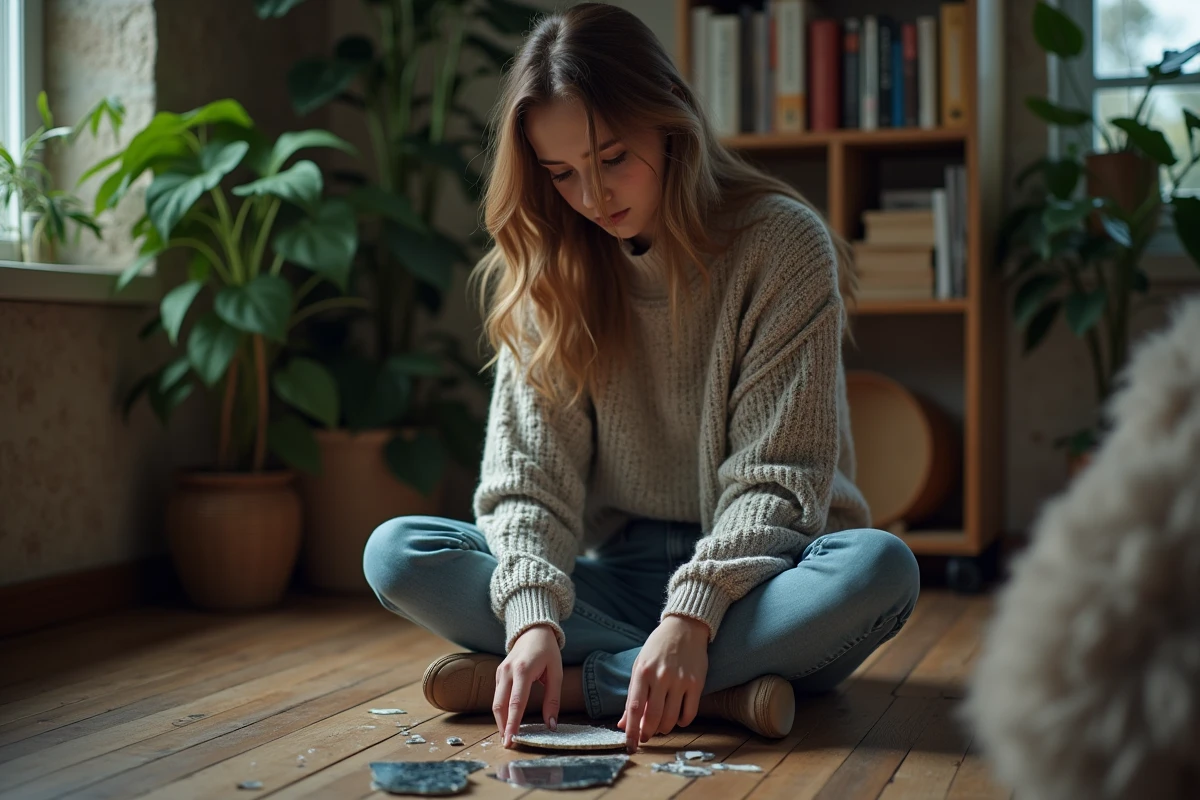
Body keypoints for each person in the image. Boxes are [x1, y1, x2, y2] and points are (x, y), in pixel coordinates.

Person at [363, 2, 920, 755]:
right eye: (562, 173)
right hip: (617, 575)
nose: (592, 198)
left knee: (881, 569)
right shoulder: (549, 268)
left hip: (764, 579)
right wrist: (531, 616)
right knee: (398, 552)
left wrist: (693, 617)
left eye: (612, 158)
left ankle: (586, 683)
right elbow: (526, 486)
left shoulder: (784, 245)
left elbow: (780, 478)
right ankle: (716, 688)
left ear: (670, 122)